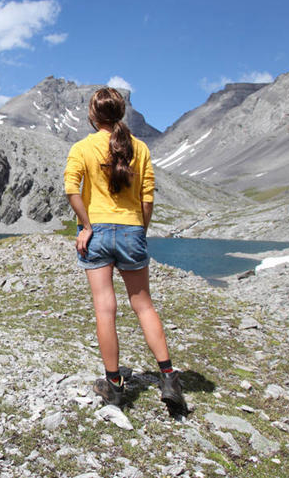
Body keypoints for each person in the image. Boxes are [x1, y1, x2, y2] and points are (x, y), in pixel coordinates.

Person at [63, 87, 185, 411]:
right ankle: (169, 378)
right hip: (132, 229)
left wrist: (87, 225)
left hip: (97, 233)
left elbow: (70, 189)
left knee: (105, 308)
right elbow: (148, 197)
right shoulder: (140, 148)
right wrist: (139, 232)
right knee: (143, 305)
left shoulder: (82, 148)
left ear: (92, 115)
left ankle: (115, 385)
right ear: (121, 112)